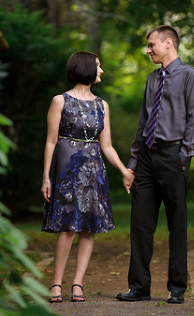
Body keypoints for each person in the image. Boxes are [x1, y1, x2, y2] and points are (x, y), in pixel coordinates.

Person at [116, 25, 194, 304]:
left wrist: (184, 155)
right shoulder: (152, 79)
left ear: (169, 43)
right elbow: (143, 123)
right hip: (146, 158)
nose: (148, 50)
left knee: (177, 223)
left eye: (152, 44)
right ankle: (139, 287)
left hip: (173, 156)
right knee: (140, 224)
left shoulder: (190, 76)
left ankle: (177, 287)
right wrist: (132, 163)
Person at [41, 51, 134, 303]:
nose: (101, 70)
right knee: (67, 228)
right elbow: (50, 142)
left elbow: (107, 146)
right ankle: (56, 284)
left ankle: (78, 284)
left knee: (88, 229)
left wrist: (124, 170)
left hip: (93, 170)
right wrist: (46, 178)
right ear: (85, 68)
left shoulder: (102, 105)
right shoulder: (60, 101)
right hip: (66, 170)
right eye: (98, 66)